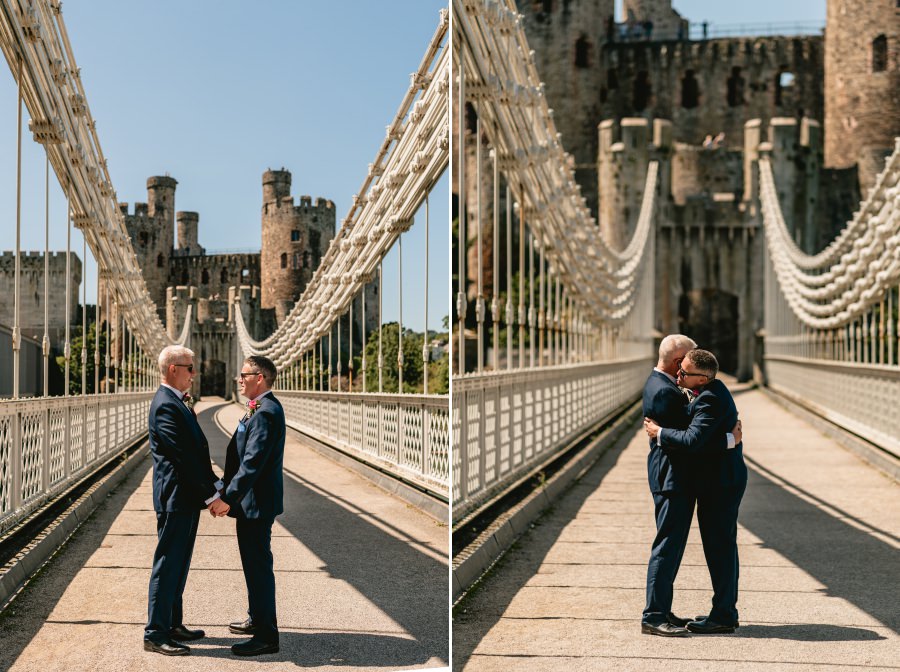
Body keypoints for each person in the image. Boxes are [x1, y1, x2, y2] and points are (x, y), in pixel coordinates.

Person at [640, 335, 740, 637]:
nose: (682, 372)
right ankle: (655, 615)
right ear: (676, 362)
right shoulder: (666, 391)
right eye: (683, 365)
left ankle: (715, 613)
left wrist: (727, 439)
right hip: (672, 479)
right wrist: (730, 439)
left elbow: (695, 439)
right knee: (668, 547)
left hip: (711, 481)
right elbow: (693, 441)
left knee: (712, 547)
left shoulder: (697, 391)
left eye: (688, 368)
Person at [144, 345, 222, 656]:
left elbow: (196, 452)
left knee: (179, 564)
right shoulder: (166, 404)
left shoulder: (177, 401)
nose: (194, 373)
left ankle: (173, 624)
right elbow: (182, 458)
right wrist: (212, 495)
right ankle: (155, 633)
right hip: (175, 497)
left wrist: (216, 485)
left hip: (185, 498)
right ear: (173, 369)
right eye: (190, 367)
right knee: (167, 565)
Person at [209, 355, 286, 656]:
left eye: (244, 375)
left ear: (260, 378)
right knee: (253, 565)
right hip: (252, 503)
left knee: (258, 568)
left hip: (256, 504)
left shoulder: (266, 412)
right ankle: (257, 618)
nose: (239, 379)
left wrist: (227, 499)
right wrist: (223, 486)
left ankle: (266, 636)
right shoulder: (259, 408)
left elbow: (252, 464)